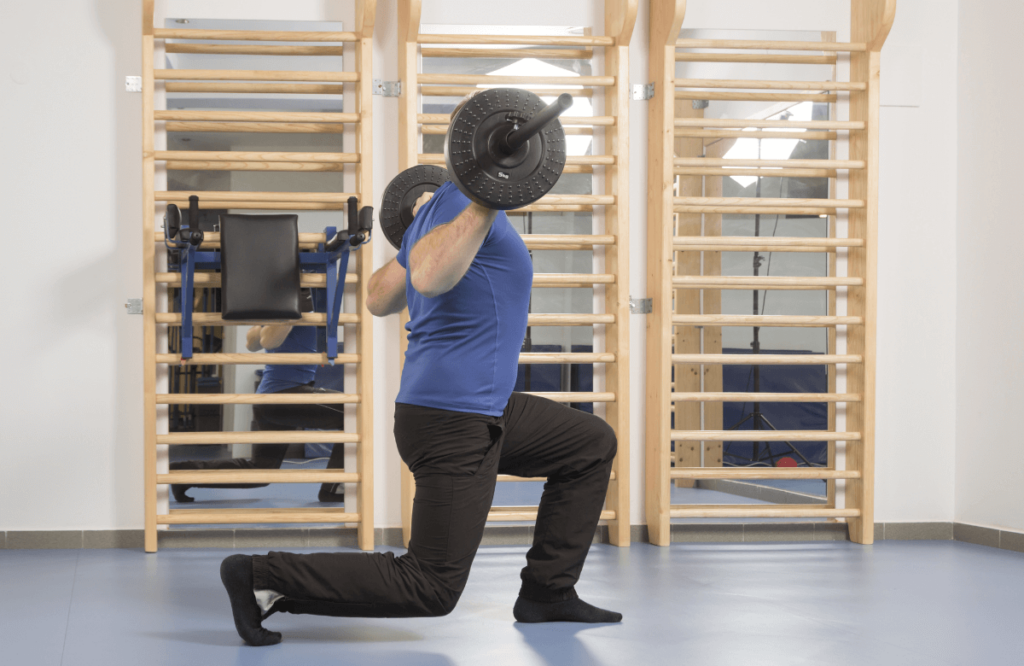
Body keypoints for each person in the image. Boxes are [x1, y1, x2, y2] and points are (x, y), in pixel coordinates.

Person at [219, 95, 621, 647]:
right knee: (431, 585)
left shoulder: (435, 206)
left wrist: (441, 223)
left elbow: (381, 297)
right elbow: (426, 280)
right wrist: (483, 201)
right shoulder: (468, 207)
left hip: (485, 406)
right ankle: (262, 577)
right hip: (454, 418)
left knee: (589, 443)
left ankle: (547, 592)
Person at [171, 290, 346, 504]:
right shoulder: (289, 304)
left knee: (260, 472)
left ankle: (183, 473)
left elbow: (251, 343)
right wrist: (291, 310)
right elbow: (264, 341)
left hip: (271, 399)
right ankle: (333, 489)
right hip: (285, 397)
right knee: (353, 411)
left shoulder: (282, 306)